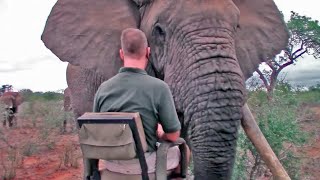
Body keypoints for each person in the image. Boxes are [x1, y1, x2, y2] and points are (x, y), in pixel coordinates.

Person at [93, 28, 189, 176]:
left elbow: (96, 130)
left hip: (111, 165)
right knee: (182, 150)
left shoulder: (103, 89)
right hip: (144, 166)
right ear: (147, 52)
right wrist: (160, 133)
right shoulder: (159, 88)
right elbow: (174, 135)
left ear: (121, 54)